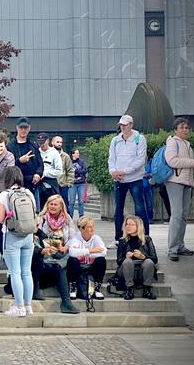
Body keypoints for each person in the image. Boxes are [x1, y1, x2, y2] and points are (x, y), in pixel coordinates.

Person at [164, 117, 194, 261]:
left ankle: (180, 245)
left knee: (183, 216)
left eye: (186, 127)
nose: (185, 130)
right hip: (175, 182)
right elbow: (172, 161)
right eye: (181, 127)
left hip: (187, 183)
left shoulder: (187, 144)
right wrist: (193, 162)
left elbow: (187, 168)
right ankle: (172, 249)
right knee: (176, 215)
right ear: (175, 130)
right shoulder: (172, 142)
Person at [0, 166, 36, 317]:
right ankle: (28, 305)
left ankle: (19, 306)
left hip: (12, 236)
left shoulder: (3, 195)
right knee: (27, 272)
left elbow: (0, 219)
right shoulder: (28, 193)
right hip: (28, 236)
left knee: (15, 273)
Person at [32, 194, 79, 314]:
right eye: (50, 204)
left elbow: (74, 238)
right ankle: (67, 302)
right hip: (45, 256)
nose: (52, 206)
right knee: (58, 268)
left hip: (61, 254)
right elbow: (36, 239)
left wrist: (66, 247)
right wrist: (48, 247)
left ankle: (67, 301)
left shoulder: (67, 219)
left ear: (61, 206)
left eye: (55, 204)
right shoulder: (41, 219)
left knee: (72, 257)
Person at [108, 114, 150, 247]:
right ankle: (118, 239)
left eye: (125, 125)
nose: (122, 127)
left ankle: (145, 238)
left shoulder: (139, 139)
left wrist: (124, 171)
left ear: (131, 125)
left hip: (135, 179)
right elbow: (111, 159)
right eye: (121, 125)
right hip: (119, 180)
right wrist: (113, 172)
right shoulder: (115, 140)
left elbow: (140, 160)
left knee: (140, 209)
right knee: (118, 210)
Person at [116, 215, 158, 300]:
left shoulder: (147, 239)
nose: (128, 226)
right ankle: (129, 290)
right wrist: (125, 257)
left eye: (132, 224)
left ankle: (147, 290)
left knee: (149, 262)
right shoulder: (122, 240)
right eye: (127, 224)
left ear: (138, 227)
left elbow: (155, 259)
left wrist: (143, 256)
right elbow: (119, 261)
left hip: (142, 271)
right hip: (126, 271)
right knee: (127, 261)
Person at [7, 117, 44, 210]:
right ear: (17, 128)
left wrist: (38, 174)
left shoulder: (33, 145)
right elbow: (7, 167)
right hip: (16, 187)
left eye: (25, 128)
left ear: (29, 128)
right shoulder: (10, 147)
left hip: (33, 185)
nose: (23, 130)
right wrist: (19, 161)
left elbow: (41, 164)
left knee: (35, 212)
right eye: (21, 128)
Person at [67, 216, 107, 300]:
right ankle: (73, 287)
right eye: (89, 227)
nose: (92, 229)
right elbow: (72, 252)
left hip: (92, 266)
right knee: (72, 260)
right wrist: (91, 250)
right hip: (78, 266)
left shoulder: (96, 238)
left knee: (101, 260)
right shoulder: (76, 238)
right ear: (82, 229)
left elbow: (103, 252)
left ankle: (97, 287)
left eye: (93, 226)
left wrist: (84, 254)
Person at [36, 133, 62, 207]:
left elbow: (59, 171)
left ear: (47, 141)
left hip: (50, 187)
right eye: (39, 142)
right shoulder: (36, 152)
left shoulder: (54, 153)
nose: (41, 144)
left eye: (43, 142)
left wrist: (44, 173)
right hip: (38, 186)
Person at [52, 136, 74, 208]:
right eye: (57, 142)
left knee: (64, 204)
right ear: (52, 143)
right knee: (52, 203)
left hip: (63, 184)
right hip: (51, 184)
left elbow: (70, 170)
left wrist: (69, 183)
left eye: (61, 142)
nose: (59, 144)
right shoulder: (49, 154)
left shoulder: (65, 156)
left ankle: (66, 219)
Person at [68, 149, 87, 218]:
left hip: (81, 183)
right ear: (72, 154)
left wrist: (76, 171)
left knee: (81, 201)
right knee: (71, 201)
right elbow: (67, 171)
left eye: (78, 153)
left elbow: (85, 171)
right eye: (76, 153)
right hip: (72, 183)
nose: (78, 154)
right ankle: (70, 216)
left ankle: (81, 216)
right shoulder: (69, 162)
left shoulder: (81, 162)